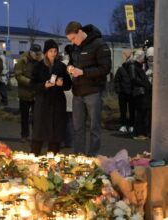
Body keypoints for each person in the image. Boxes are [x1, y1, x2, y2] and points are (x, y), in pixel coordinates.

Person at [65, 21, 111, 156]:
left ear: (80, 32)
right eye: (70, 40)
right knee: (77, 127)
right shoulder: (75, 47)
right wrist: (69, 68)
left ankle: (92, 157)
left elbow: (105, 68)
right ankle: (79, 156)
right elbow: (71, 62)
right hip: (78, 92)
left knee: (94, 127)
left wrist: (83, 72)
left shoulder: (99, 44)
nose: (73, 42)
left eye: (73, 38)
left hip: (93, 92)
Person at [30, 39, 72, 155]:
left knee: (55, 135)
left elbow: (68, 85)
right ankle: (34, 157)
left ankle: (52, 159)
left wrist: (62, 84)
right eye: (51, 51)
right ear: (45, 52)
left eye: (55, 51)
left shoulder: (61, 66)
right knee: (39, 133)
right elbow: (32, 85)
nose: (53, 53)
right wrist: (44, 85)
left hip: (57, 104)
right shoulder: (38, 66)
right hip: (43, 103)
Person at [14, 44, 42, 143]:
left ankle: (36, 135)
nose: (37, 56)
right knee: (24, 116)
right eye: (35, 54)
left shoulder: (41, 60)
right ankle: (24, 135)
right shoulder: (22, 61)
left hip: (36, 93)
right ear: (30, 52)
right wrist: (29, 82)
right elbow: (18, 75)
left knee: (37, 116)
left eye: (39, 54)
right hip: (25, 92)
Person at [128, 50, 151, 140]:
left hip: (143, 92)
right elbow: (133, 79)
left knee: (143, 113)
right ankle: (138, 133)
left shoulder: (139, 66)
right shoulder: (133, 66)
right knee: (140, 113)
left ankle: (142, 133)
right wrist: (145, 84)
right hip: (140, 93)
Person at [114, 51, 134, 133]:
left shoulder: (132, 69)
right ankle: (124, 125)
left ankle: (131, 125)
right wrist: (119, 90)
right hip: (123, 93)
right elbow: (116, 81)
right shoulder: (121, 69)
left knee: (131, 110)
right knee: (123, 110)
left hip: (131, 93)